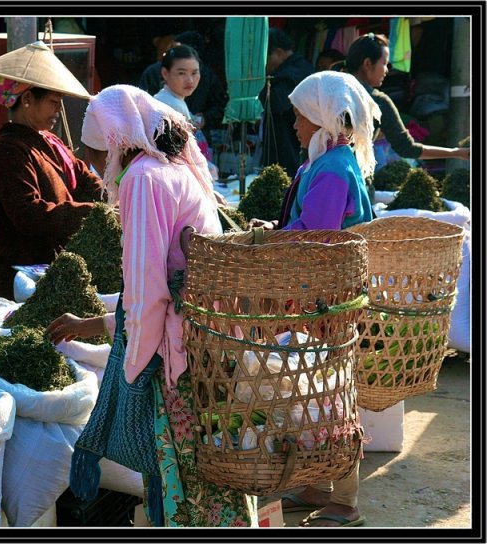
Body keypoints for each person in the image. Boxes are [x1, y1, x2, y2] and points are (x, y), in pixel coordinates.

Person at [49, 84, 256, 527]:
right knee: (210, 467)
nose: (96, 164)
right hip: (209, 347)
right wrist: (101, 325)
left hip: (176, 360)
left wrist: (133, 371)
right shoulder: (175, 169)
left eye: (95, 151)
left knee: (181, 476)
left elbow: (147, 292)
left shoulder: (143, 178)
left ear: (117, 141)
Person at [251, 70, 382, 527]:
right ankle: (316, 483)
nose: (294, 124)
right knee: (311, 389)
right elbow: (304, 222)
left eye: (300, 115)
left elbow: (317, 236)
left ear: (321, 116)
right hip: (318, 297)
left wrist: (270, 243)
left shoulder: (333, 166)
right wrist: (276, 229)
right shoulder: (322, 161)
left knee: (333, 394)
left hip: (329, 301)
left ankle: (345, 501)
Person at [0, 41, 105, 299]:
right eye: (54, 102)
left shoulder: (51, 143)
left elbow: (87, 180)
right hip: (21, 274)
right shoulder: (7, 152)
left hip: (57, 267)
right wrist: (94, 213)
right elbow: (28, 215)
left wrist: (111, 201)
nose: (59, 110)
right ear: (28, 99)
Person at [345, 33, 470, 170]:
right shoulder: (377, 102)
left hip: (319, 175)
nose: (387, 70)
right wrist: (456, 153)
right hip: (349, 178)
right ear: (367, 64)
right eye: (385, 63)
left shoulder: (326, 90)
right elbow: (407, 148)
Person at [138, 30, 228, 148]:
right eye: (181, 73)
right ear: (165, 74)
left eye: (194, 72)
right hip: (162, 146)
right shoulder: (155, 74)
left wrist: (204, 119)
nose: (190, 80)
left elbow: (220, 106)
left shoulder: (207, 75)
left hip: (196, 142)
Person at [258, 27, 315, 178]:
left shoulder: (293, 74)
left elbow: (275, 103)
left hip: (291, 147)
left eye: (264, 58)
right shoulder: (301, 67)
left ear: (278, 52)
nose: (263, 65)